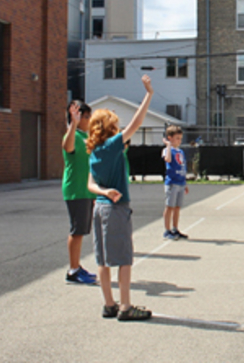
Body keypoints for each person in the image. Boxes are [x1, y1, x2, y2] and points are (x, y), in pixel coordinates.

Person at [87, 75, 154, 321]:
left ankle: (109, 304)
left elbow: (90, 184)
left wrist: (104, 191)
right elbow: (135, 124)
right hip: (116, 210)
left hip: (100, 208)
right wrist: (148, 95)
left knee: (103, 260)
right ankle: (125, 307)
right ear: (109, 128)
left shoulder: (93, 150)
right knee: (124, 259)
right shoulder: (112, 145)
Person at [61, 100, 97, 285]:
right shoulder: (72, 135)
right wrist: (73, 124)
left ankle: (77, 266)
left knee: (82, 230)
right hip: (76, 190)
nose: (89, 120)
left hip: (86, 190)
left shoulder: (85, 136)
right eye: (86, 117)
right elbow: (67, 148)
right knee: (77, 231)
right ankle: (73, 270)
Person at [162, 125, 189, 240]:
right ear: (170, 138)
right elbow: (167, 159)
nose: (179, 141)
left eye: (180, 138)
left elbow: (182, 166)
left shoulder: (181, 151)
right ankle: (167, 230)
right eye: (177, 138)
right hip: (172, 183)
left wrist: (185, 182)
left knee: (177, 207)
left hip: (180, 182)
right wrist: (168, 146)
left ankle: (175, 228)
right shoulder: (167, 150)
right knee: (170, 207)